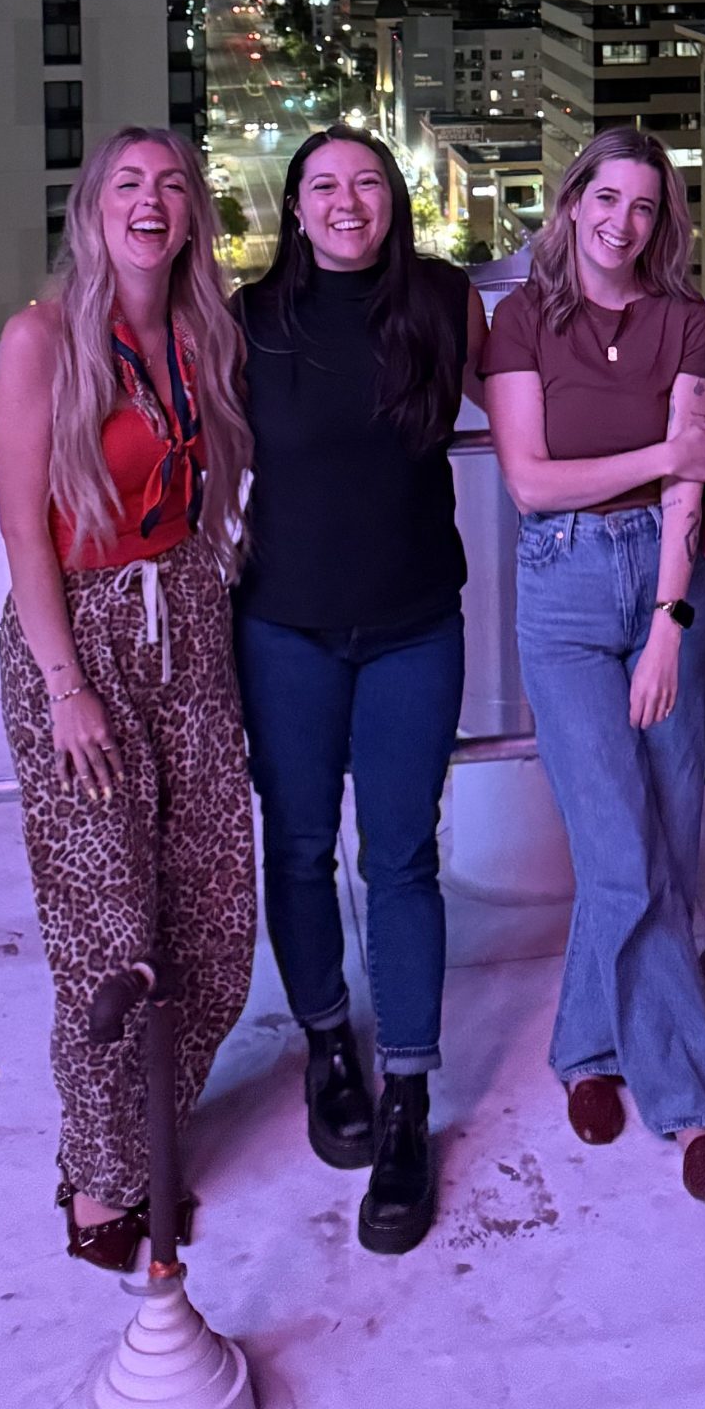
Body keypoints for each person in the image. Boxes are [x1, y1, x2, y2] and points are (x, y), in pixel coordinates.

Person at [0, 128, 257, 1272]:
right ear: (94, 207)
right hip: (83, 636)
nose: (152, 201)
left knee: (214, 919)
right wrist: (66, 686)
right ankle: (103, 1177)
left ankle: (155, 1116)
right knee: (107, 931)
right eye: (129, 184)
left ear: (193, 212)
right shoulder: (41, 340)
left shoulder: (204, 332)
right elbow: (19, 529)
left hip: (190, 621)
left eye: (173, 185)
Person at [233, 127, 487, 1255]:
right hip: (284, 626)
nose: (347, 202)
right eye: (325, 186)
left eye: (368, 183)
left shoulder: (440, 300)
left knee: (402, 855)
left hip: (414, 627)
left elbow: (543, 395)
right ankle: (325, 1039)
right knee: (294, 846)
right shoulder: (245, 322)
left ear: (398, 199)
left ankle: (409, 1096)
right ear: (294, 207)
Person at [479, 125, 705, 1200]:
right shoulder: (521, 319)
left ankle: (586, 1043)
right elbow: (532, 483)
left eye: (644, 205)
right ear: (573, 202)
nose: (623, 221)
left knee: (667, 842)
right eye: (606, 199)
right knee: (621, 850)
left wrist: (674, 618)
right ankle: (691, 1105)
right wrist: (662, 457)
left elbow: (691, 483)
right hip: (567, 588)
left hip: (670, 584)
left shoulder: (685, 317)